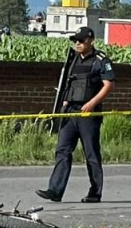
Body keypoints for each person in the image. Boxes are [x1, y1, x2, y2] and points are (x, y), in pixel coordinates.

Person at [37, 26, 115, 203]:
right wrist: (65, 101)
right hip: (70, 112)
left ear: (91, 40)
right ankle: (55, 190)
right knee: (62, 151)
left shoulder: (100, 60)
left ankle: (95, 192)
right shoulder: (72, 60)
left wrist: (91, 104)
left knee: (91, 154)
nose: (77, 43)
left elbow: (109, 85)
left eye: (81, 40)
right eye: (75, 41)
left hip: (88, 114)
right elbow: (69, 84)